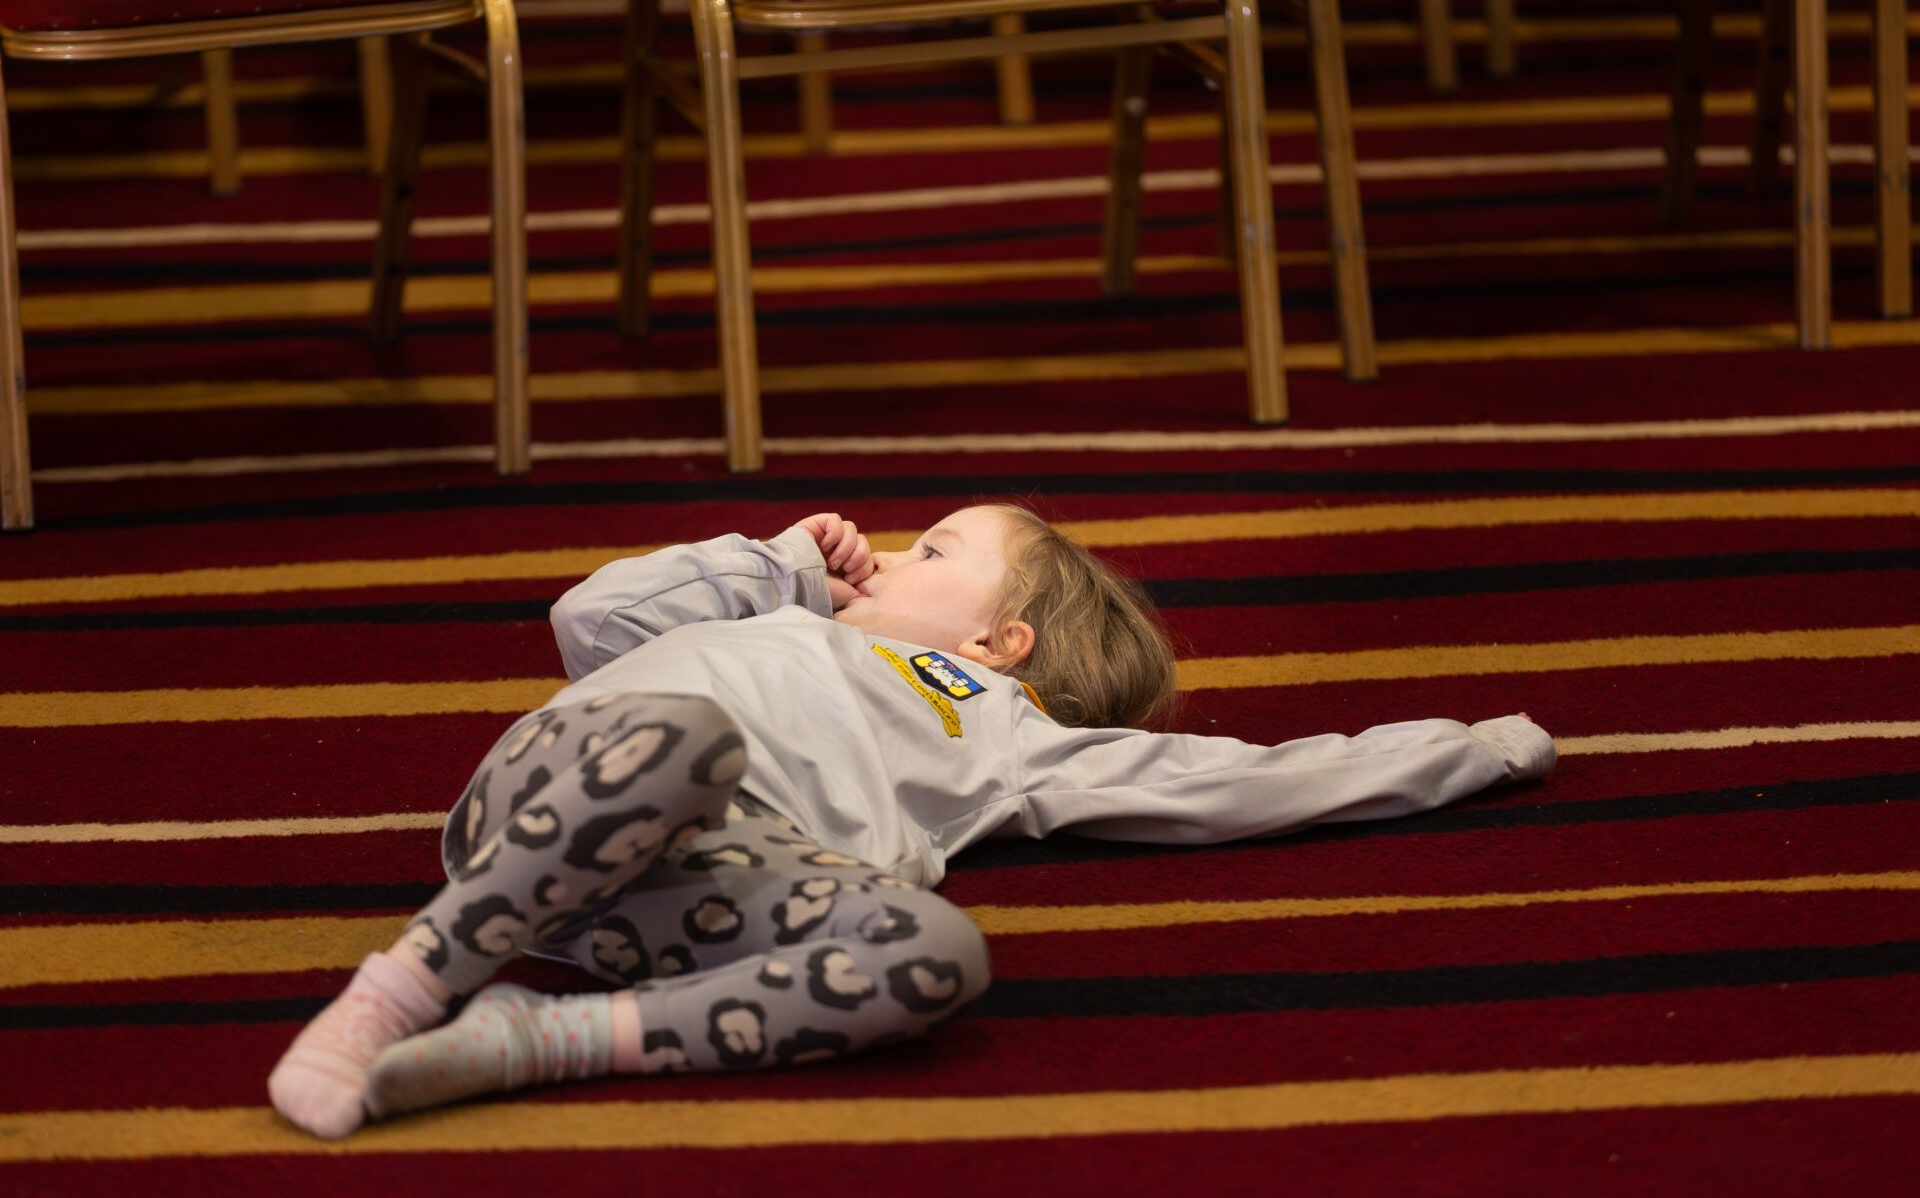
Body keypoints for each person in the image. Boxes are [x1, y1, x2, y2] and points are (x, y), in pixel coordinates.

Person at [267, 503, 1555, 1138]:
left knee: (940, 955)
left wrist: (1478, 748)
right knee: (689, 739)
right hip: (572, 793)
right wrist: (774, 563)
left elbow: (1242, 780)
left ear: (1000, 643)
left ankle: (538, 1041)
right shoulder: (763, 611)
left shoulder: (1007, 733)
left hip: (698, 896)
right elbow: (587, 619)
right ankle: (400, 993)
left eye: (931, 552)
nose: (884, 557)